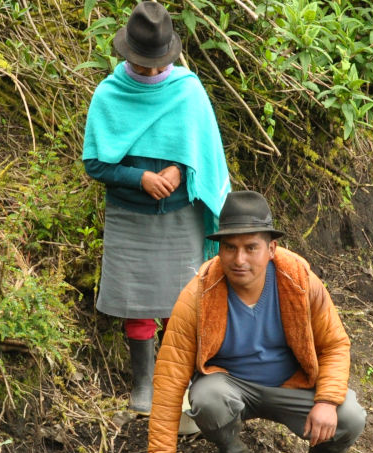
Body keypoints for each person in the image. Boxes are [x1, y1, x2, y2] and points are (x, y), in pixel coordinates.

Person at [144, 191, 367, 453]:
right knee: (206, 399)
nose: (239, 259)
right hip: (230, 386)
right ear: (219, 249)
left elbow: (334, 344)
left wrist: (327, 401)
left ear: (271, 249)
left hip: (291, 384)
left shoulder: (299, 280)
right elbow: (171, 372)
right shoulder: (200, 292)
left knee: (350, 416)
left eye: (251, 247)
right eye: (230, 247)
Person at [82, 0, 231, 414]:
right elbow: (95, 163)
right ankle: (143, 384)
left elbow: (203, 150)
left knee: (181, 303)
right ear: (126, 54)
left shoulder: (188, 91)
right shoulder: (110, 94)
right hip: (130, 215)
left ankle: (177, 380)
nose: (149, 73)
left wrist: (180, 171)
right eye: (141, 65)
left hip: (180, 215)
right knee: (138, 303)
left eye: (156, 66)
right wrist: (141, 178)